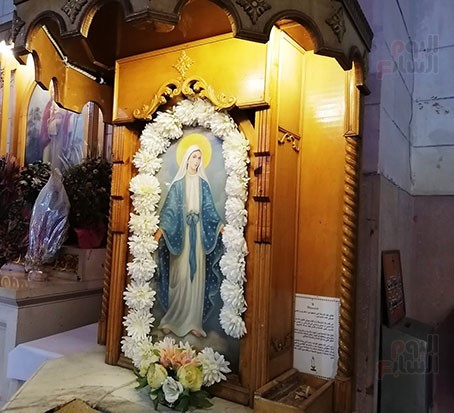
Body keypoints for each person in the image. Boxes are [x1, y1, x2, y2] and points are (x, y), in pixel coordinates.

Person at [155, 145, 224, 338]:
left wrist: (220, 227)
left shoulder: (203, 185)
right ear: (186, 159)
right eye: (194, 157)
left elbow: (209, 210)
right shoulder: (178, 185)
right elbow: (169, 211)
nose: (196, 161)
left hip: (198, 237)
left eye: (199, 158)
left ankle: (194, 322)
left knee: (196, 279)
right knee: (180, 276)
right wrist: (161, 230)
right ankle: (171, 320)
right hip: (181, 236)